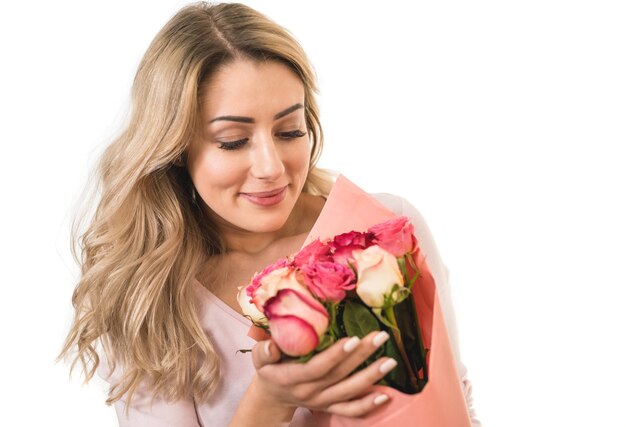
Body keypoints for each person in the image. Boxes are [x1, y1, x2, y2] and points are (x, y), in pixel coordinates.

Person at [59, 2, 479, 426]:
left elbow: (456, 408)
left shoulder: (385, 228)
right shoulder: (148, 295)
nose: (271, 167)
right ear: (175, 149)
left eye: (289, 131)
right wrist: (269, 400)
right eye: (232, 140)